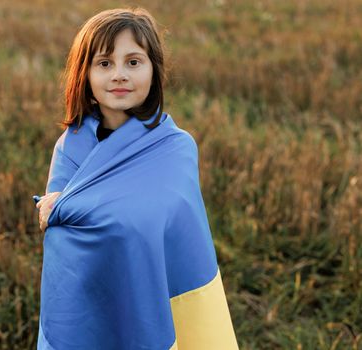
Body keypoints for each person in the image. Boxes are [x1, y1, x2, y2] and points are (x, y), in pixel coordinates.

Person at [34, 7, 238, 349]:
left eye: (133, 62)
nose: (119, 75)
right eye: (104, 63)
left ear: (153, 70)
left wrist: (69, 206)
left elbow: (162, 223)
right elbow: (59, 225)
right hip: (91, 294)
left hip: (152, 292)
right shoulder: (71, 145)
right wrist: (58, 208)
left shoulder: (175, 148)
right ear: (84, 74)